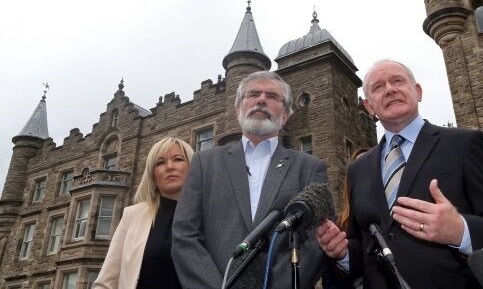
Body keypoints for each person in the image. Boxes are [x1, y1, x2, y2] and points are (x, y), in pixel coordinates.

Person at [317, 60, 483, 288]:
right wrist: (342, 253)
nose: (389, 89)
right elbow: (364, 245)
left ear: (418, 91)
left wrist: (460, 231)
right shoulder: (358, 167)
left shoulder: (464, 144)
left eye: (397, 81)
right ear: (369, 106)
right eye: (378, 87)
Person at [172, 70, 328, 289]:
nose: (261, 100)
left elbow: (315, 241)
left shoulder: (310, 167)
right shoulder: (204, 163)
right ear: (238, 109)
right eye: (253, 94)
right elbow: (185, 235)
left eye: (272, 96)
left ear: (285, 115)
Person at [93, 137, 194, 289]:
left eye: (178, 159)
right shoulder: (132, 216)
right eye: (160, 163)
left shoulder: (210, 214)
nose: (169, 166)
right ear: (152, 177)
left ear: (193, 167)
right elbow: (106, 283)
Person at [322, 148, 369, 289]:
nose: (365, 173)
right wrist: (341, 256)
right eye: (358, 168)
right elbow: (329, 279)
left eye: (370, 165)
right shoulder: (339, 225)